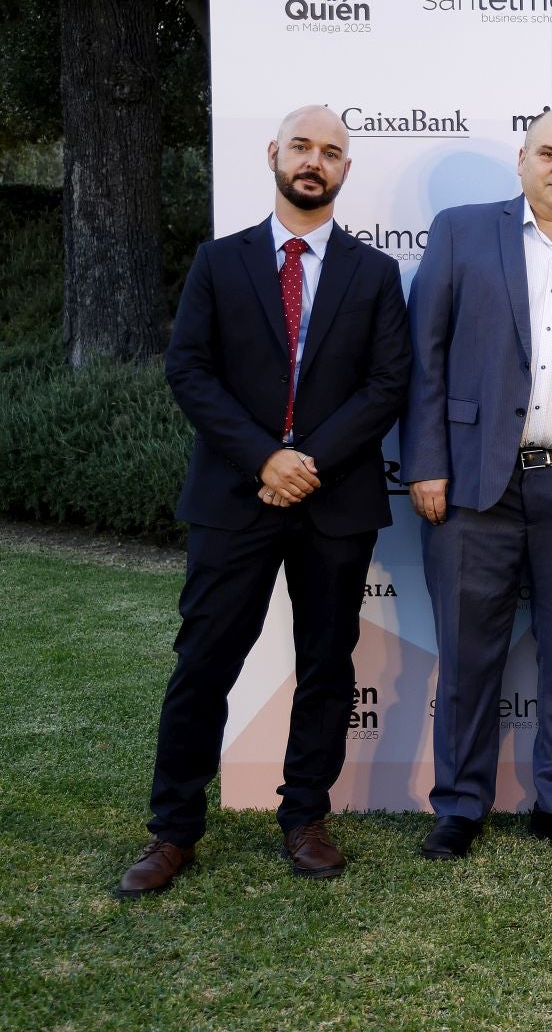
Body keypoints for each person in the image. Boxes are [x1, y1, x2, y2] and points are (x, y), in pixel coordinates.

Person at [117, 106, 410, 896]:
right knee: (204, 661)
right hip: (234, 494)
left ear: (346, 169)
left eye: (331, 151)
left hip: (334, 498)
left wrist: (308, 461)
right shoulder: (220, 262)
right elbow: (189, 369)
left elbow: (387, 383)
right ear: (274, 154)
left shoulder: (375, 274)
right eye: (302, 147)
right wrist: (265, 457)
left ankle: (305, 816)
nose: (314, 161)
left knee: (326, 663)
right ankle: (173, 828)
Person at [401, 108, 552, 860]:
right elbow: (424, 356)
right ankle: (459, 806)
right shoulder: (462, 232)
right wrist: (427, 463)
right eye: (549, 152)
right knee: (467, 654)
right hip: (476, 481)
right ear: (523, 159)